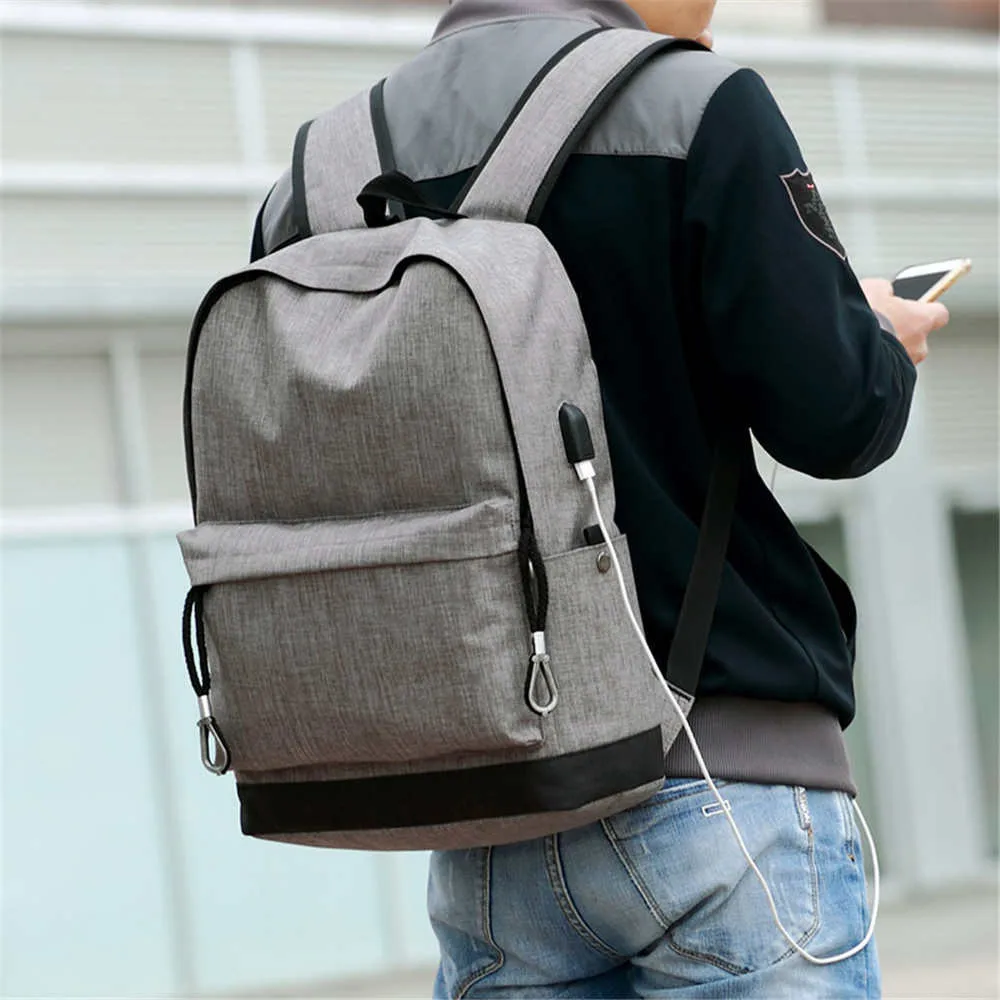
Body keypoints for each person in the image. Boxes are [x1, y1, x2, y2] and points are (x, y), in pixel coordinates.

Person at [255, 0, 949, 995]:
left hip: (485, 829)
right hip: (722, 789)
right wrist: (873, 332)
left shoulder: (318, 168)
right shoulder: (695, 102)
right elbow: (838, 418)